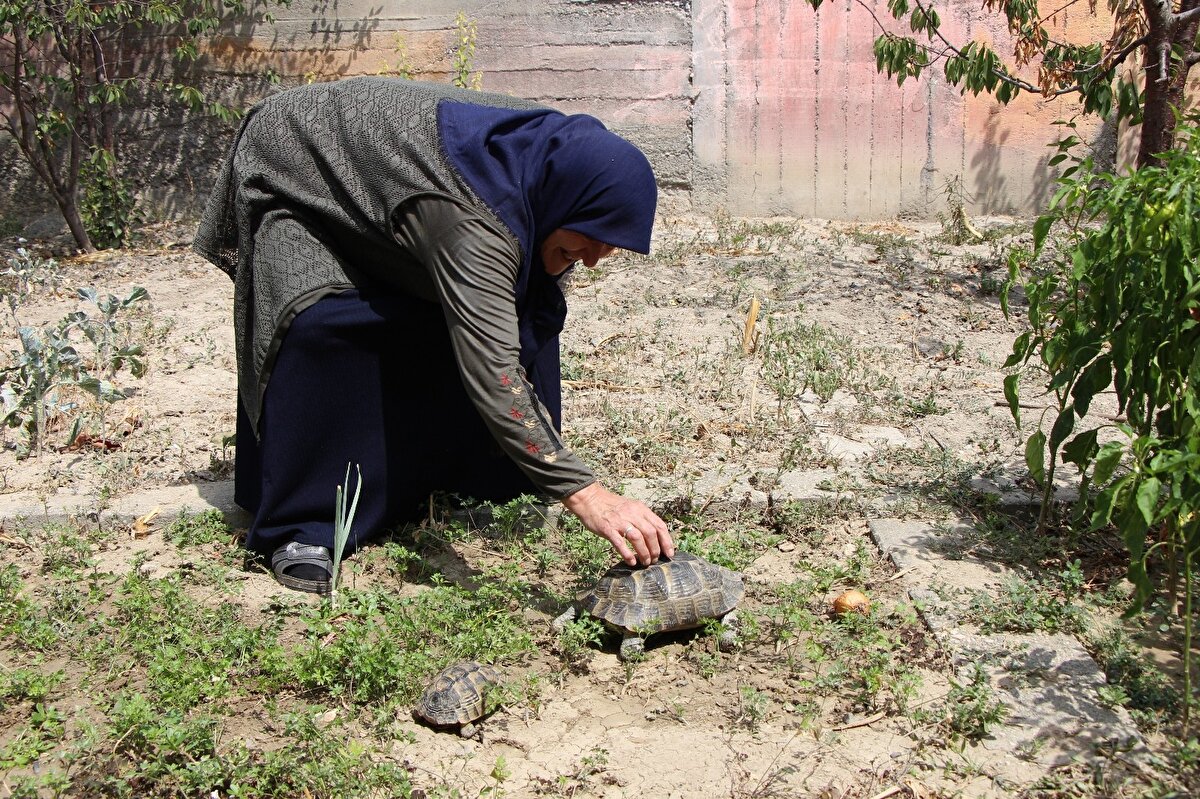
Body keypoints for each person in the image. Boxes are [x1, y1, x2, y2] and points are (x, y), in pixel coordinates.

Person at [194, 76, 675, 594]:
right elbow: (494, 371)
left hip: (395, 179)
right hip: (298, 164)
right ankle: (304, 524)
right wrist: (588, 494)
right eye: (588, 238)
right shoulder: (473, 223)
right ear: (566, 201)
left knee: (522, 303)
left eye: (608, 244)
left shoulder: (552, 170)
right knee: (323, 324)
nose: (593, 259)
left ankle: (482, 481)